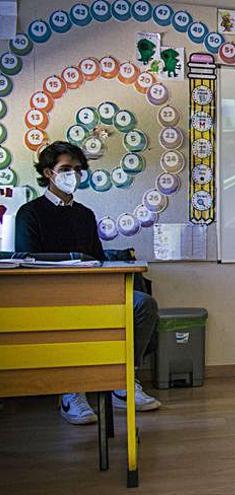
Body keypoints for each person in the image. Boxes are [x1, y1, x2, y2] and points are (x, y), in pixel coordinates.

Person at [15, 141, 161, 425]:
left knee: (143, 304)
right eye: (66, 169)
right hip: (50, 295)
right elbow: (28, 260)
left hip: (93, 290)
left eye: (78, 170)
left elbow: (96, 259)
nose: (74, 175)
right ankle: (70, 391)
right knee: (69, 317)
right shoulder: (29, 213)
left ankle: (123, 380)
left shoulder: (84, 214)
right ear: (48, 173)